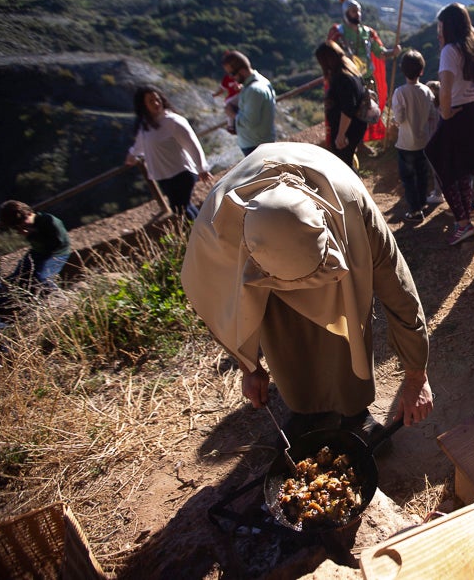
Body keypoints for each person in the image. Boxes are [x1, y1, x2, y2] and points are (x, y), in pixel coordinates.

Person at [180, 142, 434, 441]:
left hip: (338, 275)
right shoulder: (216, 230)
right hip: (262, 281)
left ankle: (354, 412)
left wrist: (417, 376)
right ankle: (306, 410)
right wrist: (247, 365)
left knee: (344, 326)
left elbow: (399, 291)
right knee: (282, 336)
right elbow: (213, 301)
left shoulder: (350, 206)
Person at [424, 3, 474, 245]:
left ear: (448, 25)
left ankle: (463, 223)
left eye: (440, 25)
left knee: (442, 165)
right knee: (461, 167)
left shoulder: (451, 50)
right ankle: (467, 212)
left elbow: (445, 88)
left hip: (457, 113)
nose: (438, 30)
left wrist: (445, 112)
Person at [126, 85, 212, 219]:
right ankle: (206, 233)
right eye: (150, 101)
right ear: (143, 106)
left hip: (181, 172)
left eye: (157, 99)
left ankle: (201, 236)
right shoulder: (145, 125)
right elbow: (140, 145)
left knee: (181, 208)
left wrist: (202, 168)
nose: (156, 103)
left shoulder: (173, 121)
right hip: (164, 176)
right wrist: (132, 155)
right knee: (182, 207)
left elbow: (192, 145)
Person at [329, 0, 401, 144]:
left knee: (366, 112)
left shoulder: (368, 33)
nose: (357, 14)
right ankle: (350, 142)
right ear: (346, 13)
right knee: (349, 112)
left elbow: (379, 53)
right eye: (353, 11)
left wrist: (392, 52)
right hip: (349, 80)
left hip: (367, 79)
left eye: (358, 11)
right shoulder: (338, 33)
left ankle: (360, 143)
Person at [391, 50, 438, 223]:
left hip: (406, 144)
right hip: (423, 141)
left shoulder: (400, 93)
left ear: (403, 71)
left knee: (408, 178)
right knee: (422, 173)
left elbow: (399, 118)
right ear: (422, 71)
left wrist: (395, 121)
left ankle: (415, 210)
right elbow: (432, 113)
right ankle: (423, 202)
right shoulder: (427, 91)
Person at [0, 200, 71, 293]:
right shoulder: (18, 221)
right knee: (15, 279)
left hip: (56, 254)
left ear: (29, 213)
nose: (21, 228)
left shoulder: (49, 221)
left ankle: (56, 296)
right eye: (17, 227)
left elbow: (56, 243)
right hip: (36, 253)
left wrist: (32, 235)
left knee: (42, 279)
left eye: (23, 224)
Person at [314, 40, 369, 168]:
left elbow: (348, 108)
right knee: (347, 162)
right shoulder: (351, 69)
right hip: (356, 126)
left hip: (347, 130)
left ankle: (353, 188)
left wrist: (340, 134)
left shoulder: (341, 78)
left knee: (344, 167)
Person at [221, 50, 276, 157]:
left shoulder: (253, 90)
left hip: (255, 146)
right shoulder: (259, 82)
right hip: (258, 143)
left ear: (241, 70)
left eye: (232, 74)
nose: (231, 78)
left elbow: (250, 123)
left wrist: (231, 113)